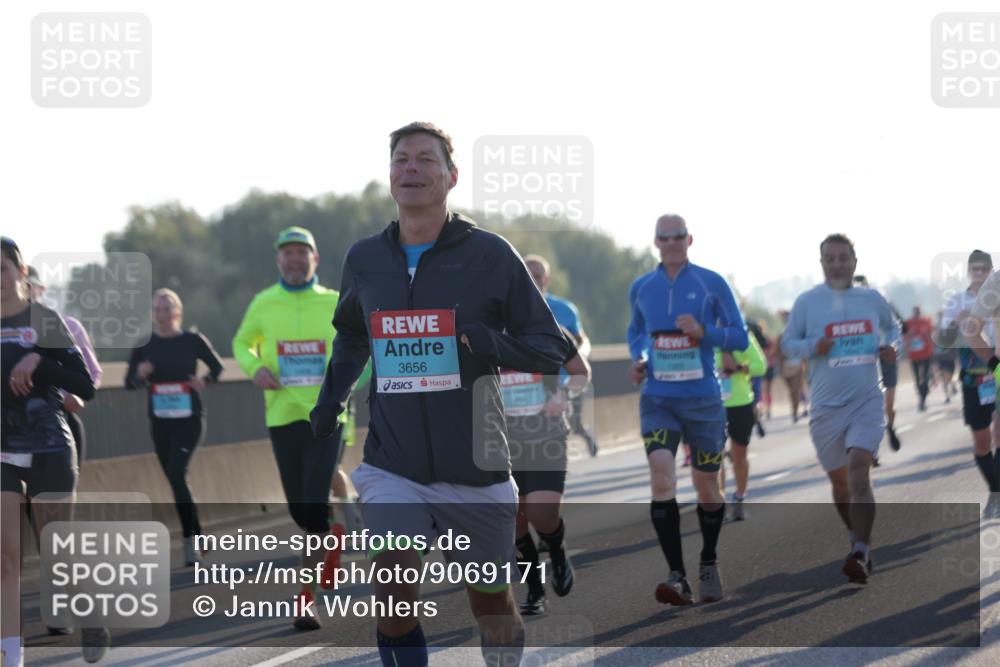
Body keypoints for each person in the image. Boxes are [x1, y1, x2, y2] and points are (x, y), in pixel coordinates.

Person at [310, 122, 576, 667]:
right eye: (401, 159)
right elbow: (354, 334)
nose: (411, 168)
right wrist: (331, 397)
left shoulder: (490, 255)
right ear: (389, 176)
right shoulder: (365, 259)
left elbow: (551, 347)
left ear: (451, 177)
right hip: (392, 462)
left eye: (425, 159)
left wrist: (486, 341)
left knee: (492, 604)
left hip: (475, 464)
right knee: (392, 592)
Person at [626, 214, 748, 606]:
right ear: (656, 242)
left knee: (707, 487)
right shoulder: (642, 287)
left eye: (679, 236)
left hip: (703, 401)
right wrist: (640, 357)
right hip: (658, 399)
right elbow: (636, 333)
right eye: (665, 237)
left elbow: (740, 337)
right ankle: (676, 576)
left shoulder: (711, 283)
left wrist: (704, 332)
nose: (672, 242)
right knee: (662, 479)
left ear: (689, 239)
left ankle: (708, 560)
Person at [232, 226, 347, 631]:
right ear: (279, 260)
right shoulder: (264, 302)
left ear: (315, 259)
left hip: (327, 416)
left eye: (303, 253)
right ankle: (331, 535)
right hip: (282, 414)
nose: (295, 259)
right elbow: (241, 344)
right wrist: (256, 367)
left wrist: (344, 390)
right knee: (302, 511)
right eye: (288, 253)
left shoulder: (334, 301)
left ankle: (305, 601)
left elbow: (362, 352)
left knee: (313, 508)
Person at [1, 237, 104, 666]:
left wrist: (39, 362)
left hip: (50, 449)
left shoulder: (44, 321)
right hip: (3, 453)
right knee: (4, 562)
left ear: (21, 273)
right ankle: (10, 655)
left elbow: (84, 384)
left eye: (2, 270)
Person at [781, 234, 900, 584]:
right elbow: (788, 345)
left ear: (854, 261)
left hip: (866, 399)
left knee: (859, 470)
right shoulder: (807, 302)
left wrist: (892, 346)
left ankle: (861, 551)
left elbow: (894, 328)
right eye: (830, 258)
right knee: (840, 483)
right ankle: (855, 537)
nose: (837, 264)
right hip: (825, 408)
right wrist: (812, 347)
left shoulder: (871, 298)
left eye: (843, 257)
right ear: (821, 264)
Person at [125, 288, 223, 565]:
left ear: (177, 313)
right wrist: (139, 375)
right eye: (157, 309)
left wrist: (205, 380)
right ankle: (199, 534)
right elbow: (129, 383)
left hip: (189, 419)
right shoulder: (144, 344)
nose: (163, 314)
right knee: (175, 480)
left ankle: (189, 542)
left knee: (178, 473)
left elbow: (216, 367)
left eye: (168, 309)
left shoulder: (192, 340)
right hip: (161, 424)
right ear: (152, 314)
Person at [503, 344, 590, 616]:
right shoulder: (482, 329)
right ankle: (535, 590)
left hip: (547, 438)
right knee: (514, 518)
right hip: (503, 441)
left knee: (541, 515)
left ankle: (557, 551)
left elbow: (581, 372)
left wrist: (563, 393)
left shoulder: (545, 329)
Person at [938, 251, 998, 515]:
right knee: (982, 441)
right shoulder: (958, 301)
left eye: (983, 268)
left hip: (996, 375)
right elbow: (943, 338)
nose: (979, 272)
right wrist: (956, 322)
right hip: (975, 376)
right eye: (974, 268)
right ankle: (995, 491)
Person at [523, 255, 599, 457]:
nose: (533, 280)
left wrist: (577, 357)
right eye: (527, 275)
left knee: (564, 421)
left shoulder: (565, 309)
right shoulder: (509, 309)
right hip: (528, 383)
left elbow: (583, 340)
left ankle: (556, 466)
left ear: (546, 279)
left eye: (537, 276)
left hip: (564, 379)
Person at [27, 266, 103, 465]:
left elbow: (93, 372)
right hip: (14, 426)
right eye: (21, 287)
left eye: (30, 287)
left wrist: (75, 395)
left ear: (41, 289)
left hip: (61, 420)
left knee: (61, 492)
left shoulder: (69, 326)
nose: (25, 292)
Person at [716, 334, 767, 521]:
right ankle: (717, 502)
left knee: (739, 455)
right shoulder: (703, 334)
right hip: (713, 405)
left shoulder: (742, 336)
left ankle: (738, 498)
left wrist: (737, 367)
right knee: (714, 456)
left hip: (740, 404)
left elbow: (760, 366)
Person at [853, 274, 903, 452]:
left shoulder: (879, 300)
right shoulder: (847, 306)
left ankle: (890, 426)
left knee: (887, 404)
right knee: (866, 405)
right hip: (865, 358)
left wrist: (893, 345)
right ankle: (869, 446)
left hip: (885, 355)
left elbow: (898, 325)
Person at [777, 309, 808, 423]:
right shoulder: (781, 336)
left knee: (795, 390)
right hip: (786, 368)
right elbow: (777, 353)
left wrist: (806, 366)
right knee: (791, 391)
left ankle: (794, 413)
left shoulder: (800, 335)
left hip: (798, 367)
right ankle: (795, 409)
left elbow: (805, 351)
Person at [904, 306, 935, 412]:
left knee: (925, 377)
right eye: (915, 312)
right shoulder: (908, 323)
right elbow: (904, 337)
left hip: (926, 353)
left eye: (918, 312)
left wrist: (930, 341)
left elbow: (931, 336)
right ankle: (921, 395)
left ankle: (923, 399)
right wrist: (909, 335)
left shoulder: (926, 322)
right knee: (917, 379)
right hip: (914, 355)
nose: (916, 313)